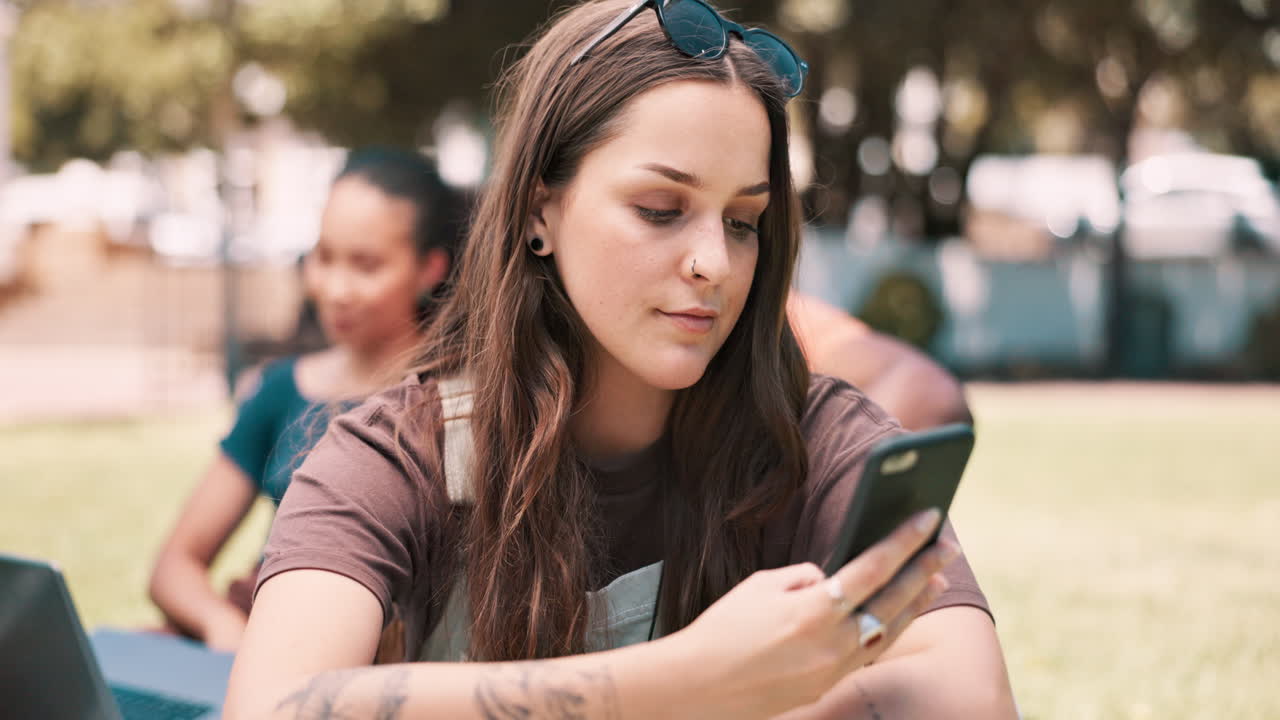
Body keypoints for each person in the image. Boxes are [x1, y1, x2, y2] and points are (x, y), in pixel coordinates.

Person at [226, 1, 1016, 717]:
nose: (714, 262)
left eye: (744, 221)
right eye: (660, 209)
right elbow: (273, 708)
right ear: (540, 211)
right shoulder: (397, 454)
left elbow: (968, 694)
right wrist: (690, 681)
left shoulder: (819, 439)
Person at [148, 148, 462, 652]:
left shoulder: (464, 397)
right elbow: (175, 565)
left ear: (430, 268)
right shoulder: (282, 390)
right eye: (324, 257)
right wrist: (222, 627)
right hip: (263, 644)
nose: (335, 288)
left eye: (366, 265)